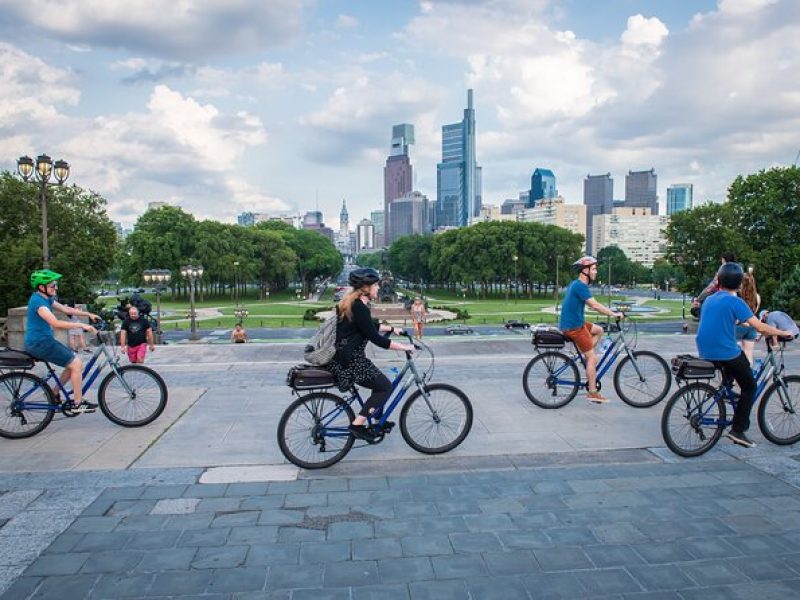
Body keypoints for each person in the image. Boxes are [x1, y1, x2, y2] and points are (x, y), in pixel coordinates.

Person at [696, 262, 794, 448]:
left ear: (720, 281)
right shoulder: (736, 301)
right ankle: (738, 430)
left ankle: (726, 390)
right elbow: (758, 326)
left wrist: (748, 326)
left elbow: (728, 320)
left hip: (705, 350)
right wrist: (781, 333)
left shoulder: (710, 299)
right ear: (739, 283)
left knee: (735, 362)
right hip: (724, 352)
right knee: (749, 386)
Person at [329, 267, 415, 442]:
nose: (378, 288)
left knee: (379, 383)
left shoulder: (351, 303)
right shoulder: (359, 307)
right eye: (376, 285)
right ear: (365, 288)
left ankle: (377, 420)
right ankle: (358, 425)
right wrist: (404, 347)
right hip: (351, 361)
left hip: (345, 358)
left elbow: (367, 326)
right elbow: (375, 338)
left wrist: (392, 329)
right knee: (385, 386)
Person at [24, 270, 99, 413]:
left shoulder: (46, 298)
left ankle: (54, 392)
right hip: (40, 343)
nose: (56, 288)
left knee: (71, 364)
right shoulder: (39, 303)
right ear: (42, 287)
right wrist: (81, 325)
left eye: (55, 285)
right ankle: (78, 404)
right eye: (53, 285)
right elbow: (55, 323)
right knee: (76, 363)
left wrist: (87, 314)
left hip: (43, 341)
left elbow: (65, 309)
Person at [559, 256, 623, 404]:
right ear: (585, 270)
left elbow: (589, 304)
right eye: (593, 269)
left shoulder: (577, 284)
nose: (595, 272)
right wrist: (614, 314)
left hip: (576, 323)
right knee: (593, 358)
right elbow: (595, 306)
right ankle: (592, 393)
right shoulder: (580, 286)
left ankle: (585, 356)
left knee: (599, 330)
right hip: (574, 327)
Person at [690, 251, 737, 318]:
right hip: (733, 297)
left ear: (724, 260)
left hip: (721, 298)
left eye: (722, 260)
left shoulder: (723, 270)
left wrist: (699, 299)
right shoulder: (736, 270)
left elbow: (711, 287)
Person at [735, 272, 760, 364]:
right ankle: (749, 375)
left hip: (739, 326)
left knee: (737, 355)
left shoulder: (737, 296)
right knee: (749, 353)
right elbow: (754, 313)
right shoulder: (757, 297)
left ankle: (737, 376)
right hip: (751, 327)